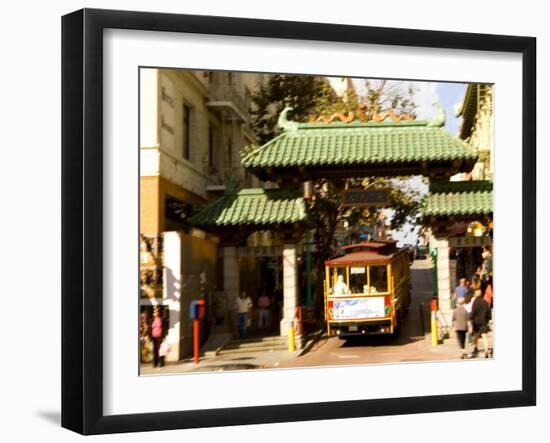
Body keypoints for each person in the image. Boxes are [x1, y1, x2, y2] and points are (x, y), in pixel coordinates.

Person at [469, 289, 492, 358]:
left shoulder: (475, 302)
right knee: (484, 336)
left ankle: (475, 348)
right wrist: (488, 319)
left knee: (476, 336)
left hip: (476, 323)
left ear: (476, 294)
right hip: (484, 322)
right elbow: (489, 311)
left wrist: (470, 319)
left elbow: (473, 312)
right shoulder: (485, 302)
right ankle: (486, 350)